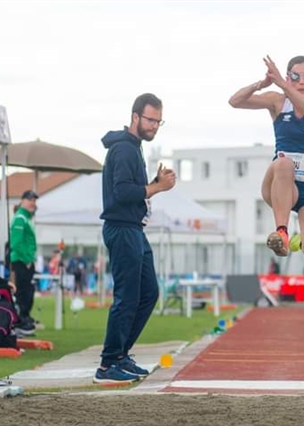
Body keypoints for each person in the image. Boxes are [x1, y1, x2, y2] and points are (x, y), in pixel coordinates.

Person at [95, 93, 176, 384]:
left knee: (148, 293)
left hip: (133, 229)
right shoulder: (124, 150)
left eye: (158, 121)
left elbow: (131, 188)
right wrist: (155, 187)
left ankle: (120, 355)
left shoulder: (133, 148)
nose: (154, 126)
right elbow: (122, 193)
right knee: (127, 296)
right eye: (150, 119)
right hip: (122, 228)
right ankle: (108, 364)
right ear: (135, 117)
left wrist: (152, 184)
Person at [229, 55, 304, 260]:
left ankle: (299, 241)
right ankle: (282, 233)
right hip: (281, 182)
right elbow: (235, 101)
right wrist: (261, 84)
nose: (301, 81)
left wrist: (284, 85)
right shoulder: (277, 101)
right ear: (288, 77)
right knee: (284, 164)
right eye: (295, 77)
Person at [9, 190, 39, 334]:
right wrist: (27, 260)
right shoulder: (20, 218)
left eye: (34, 200)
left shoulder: (26, 218)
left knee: (28, 290)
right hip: (22, 261)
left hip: (26, 260)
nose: (32, 203)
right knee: (23, 292)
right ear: (22, 200)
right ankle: (21, 321)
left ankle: (25, 318)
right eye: (29, 200)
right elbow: (16, 242)